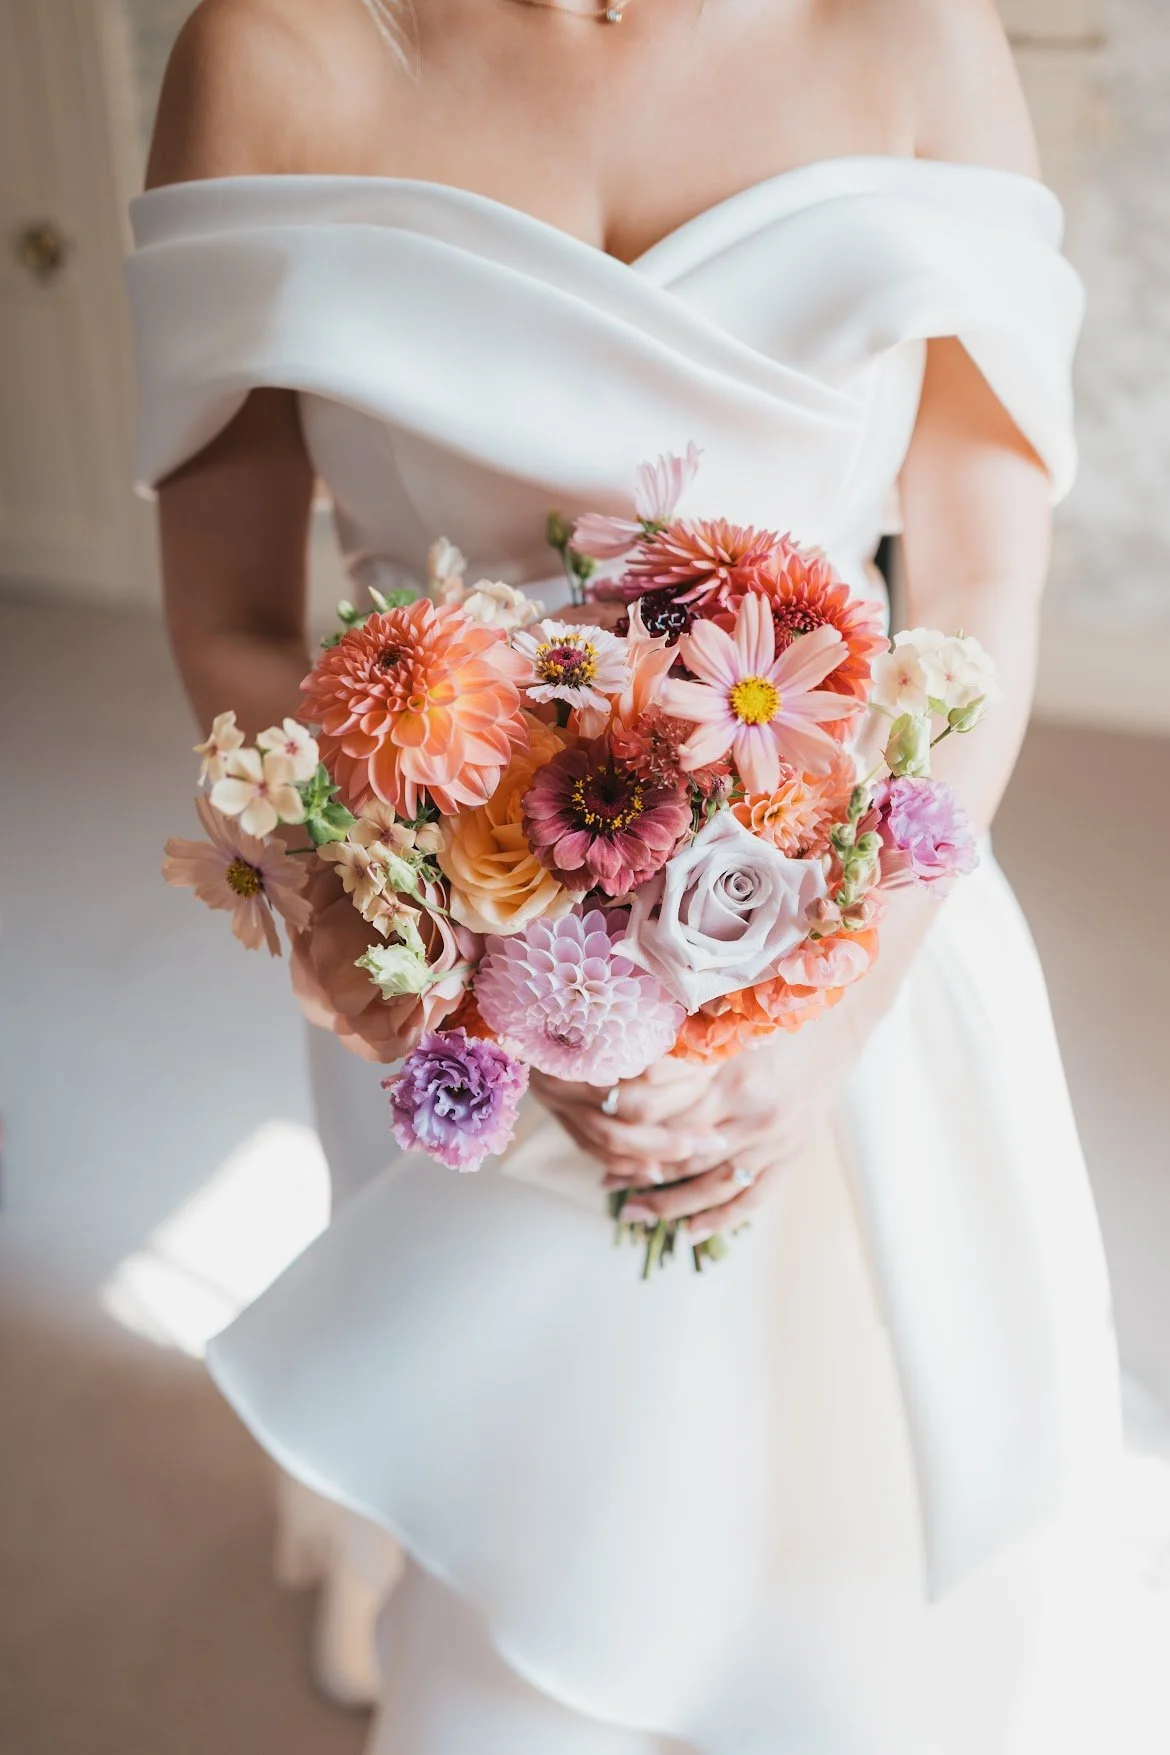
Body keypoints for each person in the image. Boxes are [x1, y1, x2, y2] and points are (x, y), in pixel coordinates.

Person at [126, 0, 1169, 1747]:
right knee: (511, 1531)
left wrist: (837, 1013)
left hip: (843, 927)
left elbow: (977, 594)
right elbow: (232, 614)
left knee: (833, 1558)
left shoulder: (916, 40)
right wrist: (416, 932)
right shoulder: (278, 50)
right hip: (442, 949)